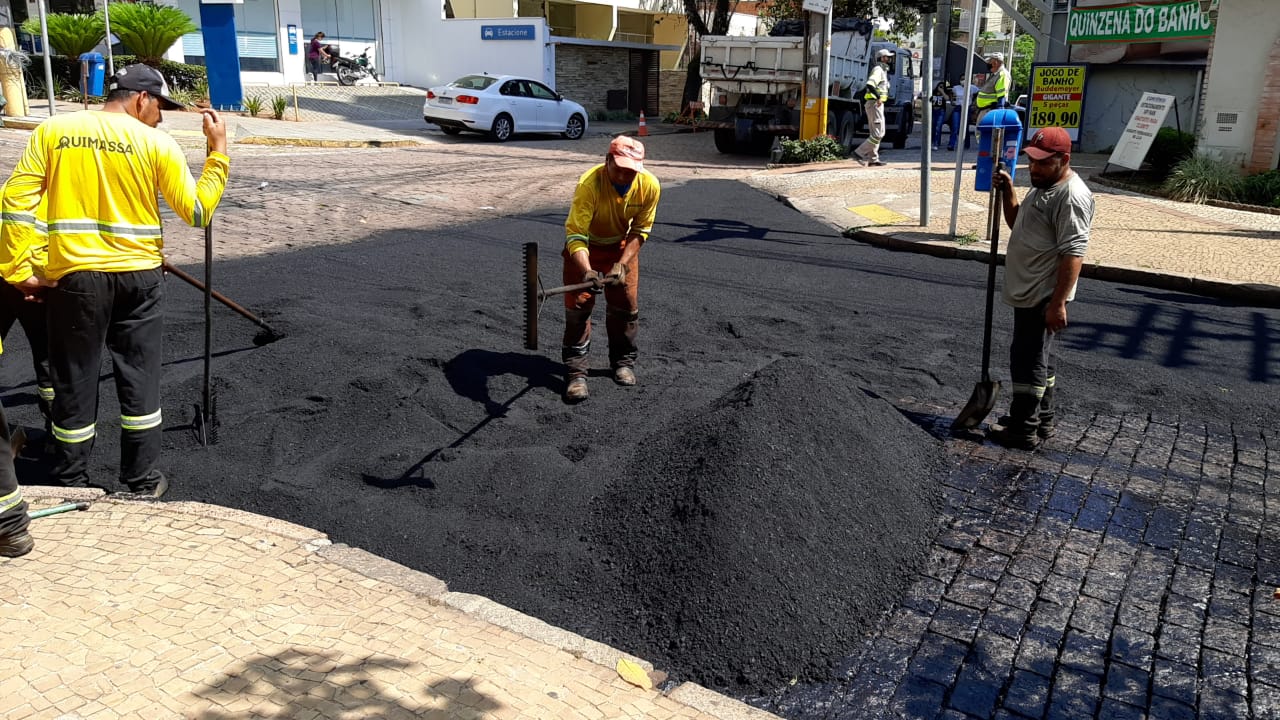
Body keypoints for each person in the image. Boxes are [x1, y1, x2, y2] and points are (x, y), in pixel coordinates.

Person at [0, 64, 231, 496]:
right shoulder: (156, 143)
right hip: (140, 279)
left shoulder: (53, 132)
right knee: (140, 378)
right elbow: (198, 213)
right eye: (160, 107)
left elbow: (14, 204)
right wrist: (217, 152)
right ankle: (141, 480)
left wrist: (18, 271)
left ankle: (71, 480)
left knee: (74, 378)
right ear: (141, 99)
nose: (161, 117)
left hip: (77, 280)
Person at [986, 127, 1094, 450]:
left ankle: (1023, 428)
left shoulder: (1071, 196)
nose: (1034, 168)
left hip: (1042, 293)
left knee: (1027, 359)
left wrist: (1057, 303)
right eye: (1031, 162)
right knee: (1039, 359)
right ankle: (1041, 417)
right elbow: (1017, 221)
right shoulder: (1044, 186)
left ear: (1063, 160)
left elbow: (1074, 253)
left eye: (1043, 163)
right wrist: (1008, 191)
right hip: (1029, 289)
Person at [561, 136, 661, 403]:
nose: (624, 175)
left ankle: (623, 363)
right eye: (619, 168)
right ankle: (576, 374)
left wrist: (622, 264)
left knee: (626, 306)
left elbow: (641, 230)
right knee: (578, 307)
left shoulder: (649, 185)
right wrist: (587, 270)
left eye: (631, 170)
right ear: (607, 161)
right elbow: (576, 235)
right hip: (586, 248)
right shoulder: (589, 184)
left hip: (621, 248)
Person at [854, 48, 894, 167]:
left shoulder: (882, 71)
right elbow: (870, 84)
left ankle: (873, 159)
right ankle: (859, 153)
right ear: (882, 58)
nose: (890, 59)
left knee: (874, 133)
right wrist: (878, 98)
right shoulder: (878, 70)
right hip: (875, 104)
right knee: (879, 133)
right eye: (888, 57)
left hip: (874, 104)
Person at [975, 52, 1011, 126]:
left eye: (989, 62)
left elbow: (1001, 96)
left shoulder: (1002, 75)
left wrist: (998, 115)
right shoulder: (995, 74)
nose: (988, 64)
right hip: (986, 110)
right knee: (981, 132)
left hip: (991, 111)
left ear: (995, 62)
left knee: (984, 133)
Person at [948, 78, 977, 151]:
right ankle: (951, 144)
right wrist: (952, 101)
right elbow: (950, 93)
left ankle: (966, 144)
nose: (963, 80)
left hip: (967, 108)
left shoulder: (972, 87)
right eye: (962, 79)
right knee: (955, 126)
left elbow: (979, 93)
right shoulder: (956, 87)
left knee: (965, 127)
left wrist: (974, 102)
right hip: (958, 107)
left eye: (965, 79)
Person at [929, 80, 953, 151]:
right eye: (940, 86)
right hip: (933, 111)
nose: (941, 88)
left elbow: (947, 98)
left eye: (942, 87)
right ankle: (933, 142)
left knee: (938, 127)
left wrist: (942, 92)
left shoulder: (944, 93)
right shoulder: (933, 93)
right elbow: (929, 100)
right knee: (933, 127)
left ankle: (936, 143)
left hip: (941, 111)